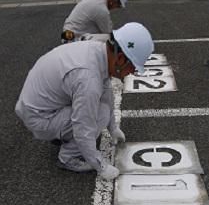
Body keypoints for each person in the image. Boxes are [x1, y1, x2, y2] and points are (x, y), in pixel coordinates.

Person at [15, 22, 154, 180]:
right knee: (99, 114)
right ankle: (67, 158)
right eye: (133, 67)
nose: (133, 72)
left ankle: (62, 135)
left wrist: (113, 128)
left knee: (100, 107)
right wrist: (101, 167)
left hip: (37, 105)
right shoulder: (88, 79)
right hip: (39, 117)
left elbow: (106, 91)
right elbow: (83, 128)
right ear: (121, 58)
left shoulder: (98, 51)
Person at [61, 0, 132, 43]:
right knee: (109, 39)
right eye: (119, 5)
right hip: (72, 40)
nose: (117, 7)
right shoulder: (101, 10)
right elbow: (109, 33)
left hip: (67, 33)